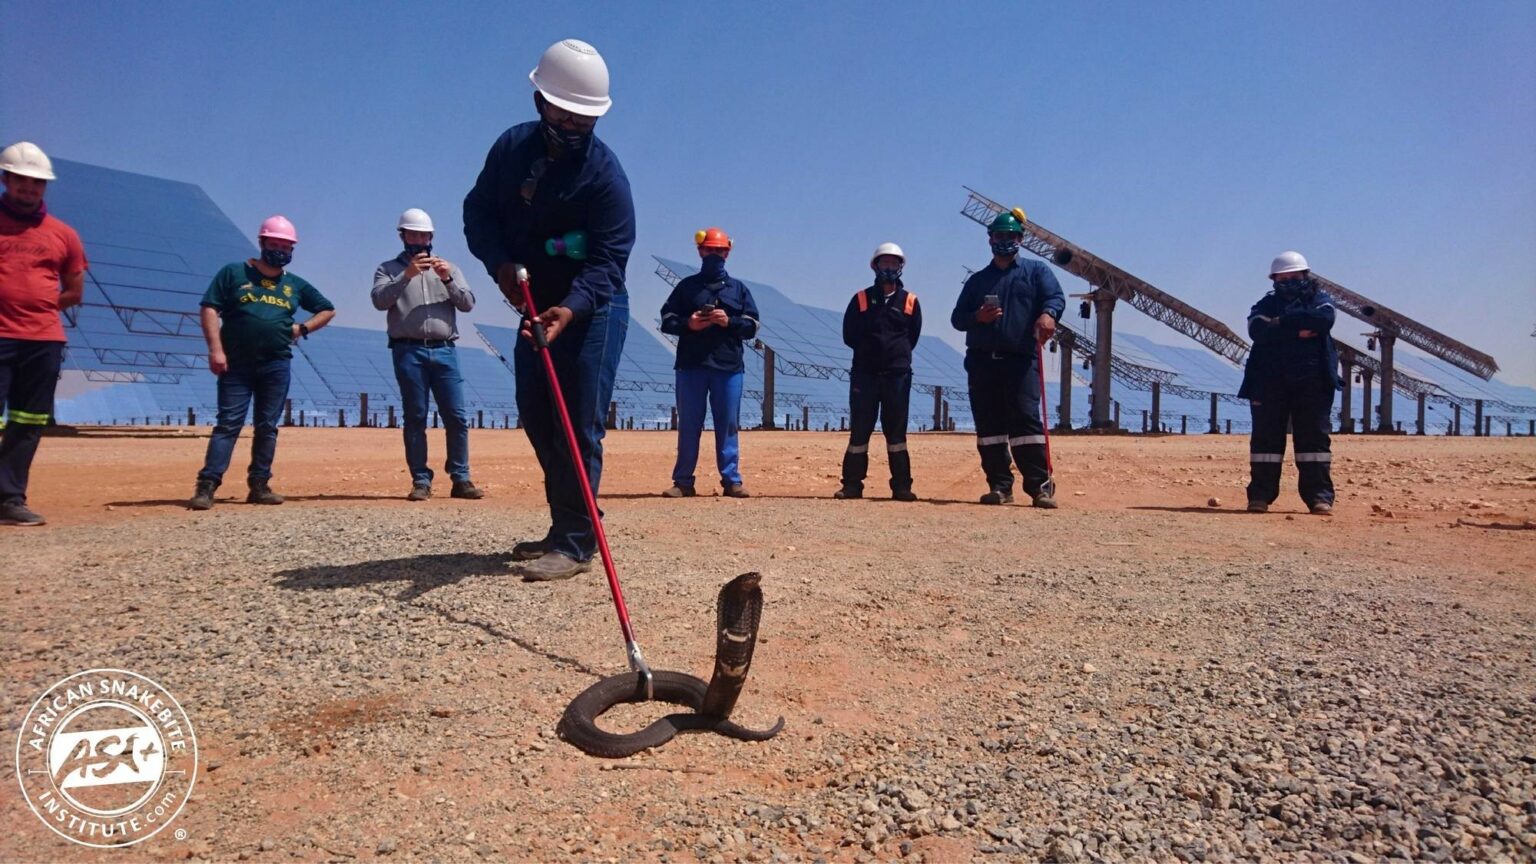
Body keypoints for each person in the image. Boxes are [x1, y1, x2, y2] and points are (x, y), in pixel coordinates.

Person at [463, 38, 634, 581]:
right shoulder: (511, 150)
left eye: (586, 118)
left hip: (592, 309)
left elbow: (609, 260)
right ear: (541, 100)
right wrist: (498, 265)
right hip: (532, 301)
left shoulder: (605, 177)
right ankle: (567, 523)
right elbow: (478, 212)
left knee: (576, 420)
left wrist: (572, 307)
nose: (575, 125)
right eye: (566, 113)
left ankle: (578, 542)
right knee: (538, 414)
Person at [188, 216, 335, 510]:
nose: (280, 250)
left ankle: (259, 484)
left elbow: (327, 309)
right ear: (262, 243)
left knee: (267, 426)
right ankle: (207, 485)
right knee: (228, 424)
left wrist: (302, 328)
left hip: (276, 363)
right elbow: (208, 309)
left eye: (286, 246)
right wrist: (215, 349)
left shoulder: (293, 285)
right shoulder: (233, 273)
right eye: (275, 244)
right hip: (236, 363)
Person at [950, 210, 1064, 508]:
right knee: (989, 426)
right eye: (999, 236)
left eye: (1010, 236)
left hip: (1021, 361)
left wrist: (1047, 314)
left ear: (1020, 240)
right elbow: (957, 319)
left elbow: (1055, 298)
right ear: (990, 239)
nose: (1004, 241)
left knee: (1026, 423)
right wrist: (978, 316)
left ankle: (1040, 488)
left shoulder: (1036, 272)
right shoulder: (978, 281)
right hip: (982, 361)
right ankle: (1000, 486)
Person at [0, 142, 87, 527]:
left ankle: (9, 499)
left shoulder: (63, 235)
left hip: (43, 341)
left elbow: (73, 290)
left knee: (28, 421)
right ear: (6, 179)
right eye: (22, 180)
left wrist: (36, 309)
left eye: (37, 183)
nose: (29, 188)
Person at [371, 208, 484, 502]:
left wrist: (447, 279)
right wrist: (406, 276)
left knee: (456, 417)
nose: (419, 240)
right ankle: (420, 479)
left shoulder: (449, 268)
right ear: (403, 236)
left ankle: (461, 478)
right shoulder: (387, 269)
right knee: (416, 416)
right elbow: (379, 301)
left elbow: (468, 303)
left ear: (431, 237)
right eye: (413, 234)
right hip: (408, 350)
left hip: (445, 350)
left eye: (424, 235)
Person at [658, 227, 759, 498]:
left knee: (727, 424)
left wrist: (729, 322)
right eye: (710, 250)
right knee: (689, 424)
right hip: (691, 365)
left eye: (719, 251)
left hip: (728, 367)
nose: (714, 255)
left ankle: (731, 481)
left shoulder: (739, 290)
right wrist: (688, 323)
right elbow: (666, 319)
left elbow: (752, 326)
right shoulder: (686, 287)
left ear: (728, 252)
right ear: (700, 250)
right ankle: (683, 482)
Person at [1238, 250, 1339, 515]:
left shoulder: (1322, 301)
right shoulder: (1265, 305)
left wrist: (1279, 326)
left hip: (1313, 382)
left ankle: (1319, 497)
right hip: (1269, 382)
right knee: (1265, 443)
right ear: (1273, 280)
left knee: (1313, 442)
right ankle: (1260, 497)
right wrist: (1295, 329)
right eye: (1282, 278)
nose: (1288, 282)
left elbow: (1323, 320)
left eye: (1293, 276)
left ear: (1305, 275)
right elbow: (1257, 330)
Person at [836, 242, 921, 501]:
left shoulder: (910, 301)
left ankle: (901, 487)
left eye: (894, 263)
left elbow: (912, 337)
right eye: (884, 263)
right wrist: (870, 352)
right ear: (875, 266)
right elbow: (848, 335)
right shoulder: (860, 299)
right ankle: (852, 485)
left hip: (897, 376)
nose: (889, 268)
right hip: (865, 375)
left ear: (901, 267)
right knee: (860, 430)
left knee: (896, 433)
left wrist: (894, 356)